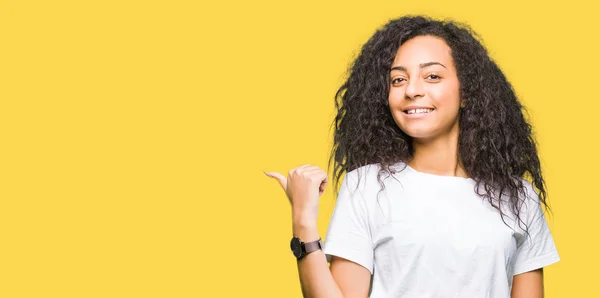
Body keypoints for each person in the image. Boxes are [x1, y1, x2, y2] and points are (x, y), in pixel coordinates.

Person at [264, 14, 560, 298]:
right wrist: (303, 220)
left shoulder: (519, 198)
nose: (412, 90)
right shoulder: (366, 186)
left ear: (467, 92)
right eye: (398, 80)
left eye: (432, 76)